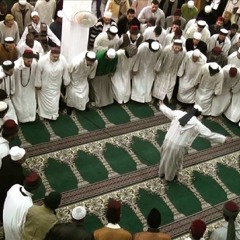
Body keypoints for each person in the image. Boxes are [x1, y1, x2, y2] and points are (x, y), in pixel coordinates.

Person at [158, 101, 230, 182]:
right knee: (173, 163)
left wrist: (162, 105)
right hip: (178, 147)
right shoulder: (197, 124)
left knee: (164, 157)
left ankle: (161, 173)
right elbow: (209, 135)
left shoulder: (178, 114)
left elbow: (167, 111)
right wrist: (223, 139)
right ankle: (169, 178)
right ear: (198, 115)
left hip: (167, 140)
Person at [3, 171, 41, 240]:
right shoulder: (29, 206)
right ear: (36, 189)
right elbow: (25, 228)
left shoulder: (14, 187)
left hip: (6, 223)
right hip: (16, 234)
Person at [35, 47, 70, 120]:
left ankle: (53, 115)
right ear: (50, 54)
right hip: (45, 87)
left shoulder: (62, 59)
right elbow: (38, 73)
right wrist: (38, 84)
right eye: (54, 56)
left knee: (54, 102)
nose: (56, 58)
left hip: (56, 86)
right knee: (43, 102)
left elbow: (65, 71)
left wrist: (66, 81)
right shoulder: (42, 60)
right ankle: (42, 114)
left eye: (57, 57)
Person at [0, 146, 26, 222]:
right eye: (24, 157)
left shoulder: (6, 158)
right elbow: (18, 187)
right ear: (19, 161)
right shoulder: (18, 174)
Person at [12, 49, 38, 123]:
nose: (30, 62)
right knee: (20, 103)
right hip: (19, 88)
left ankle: (31, 117)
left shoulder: (34, 63)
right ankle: (23, 119)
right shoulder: (16, 66)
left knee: (31, 101)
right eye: (28, 61)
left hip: (30, 87)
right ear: (23, 58)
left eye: (31, 60)